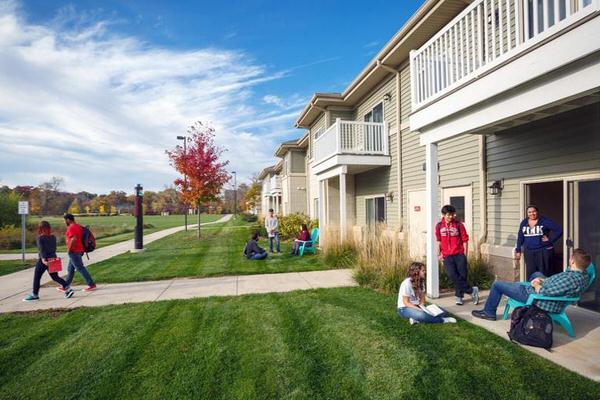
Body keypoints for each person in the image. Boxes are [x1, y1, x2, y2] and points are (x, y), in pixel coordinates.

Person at [472, 248, 591, 321]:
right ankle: (524, 285)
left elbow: (544, 292)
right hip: (548, 290)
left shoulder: (569, 279)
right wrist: (542, 280)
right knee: (536, 274)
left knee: (497, 285)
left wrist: (536, 285)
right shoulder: (584, 275)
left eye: (571, 258)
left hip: (538, 299)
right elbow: (557, 285)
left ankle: (489, 313)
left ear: (573, 261)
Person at [436, 205, 479, 306]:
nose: (451, 216)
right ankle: (472, 291)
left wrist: (465, 255)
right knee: (452, 275)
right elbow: (439, 241)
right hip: (447, 255)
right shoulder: (439, 226)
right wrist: (439, 254)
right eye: (448, 215)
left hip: (459, 254)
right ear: (443, 215)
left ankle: (459, 296)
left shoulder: (459, 225)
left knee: (462, 276)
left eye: (452, 214)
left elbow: (465, 240)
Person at [23, 221, 75, 302]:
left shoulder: (40, 238)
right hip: (53, 258)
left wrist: (43, 260)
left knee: (37, 277)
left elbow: (41, 250)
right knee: (55, 277)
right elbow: (54, 248)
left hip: (44, 260)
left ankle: (35, 295)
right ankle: (68, 289)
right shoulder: (53, 237)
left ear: (40, 228)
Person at [515, 205, 563, 280]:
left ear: (537, 212)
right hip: (529, 252)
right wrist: (518, 249)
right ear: (527, 213)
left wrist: (550, 239)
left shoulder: (544, 221)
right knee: (531, 272)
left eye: (534, 211)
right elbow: (520, 236)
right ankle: (531, 289)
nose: (532, 214)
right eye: (529, 212)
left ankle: (545, 289)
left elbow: (559, 230)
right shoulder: (524, 222)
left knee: (544, 272)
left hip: (543, 251)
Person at [63, 214, 96, 291]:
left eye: (64, 220)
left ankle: (91, 284)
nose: (64, 222)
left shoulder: (71, 227)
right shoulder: (78, 226)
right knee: (70, 269)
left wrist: (69, 249)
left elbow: (73, 239)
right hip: (79, 250)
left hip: (74, 251)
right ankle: (65, 286)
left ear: (68, 220)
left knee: (80, 268)